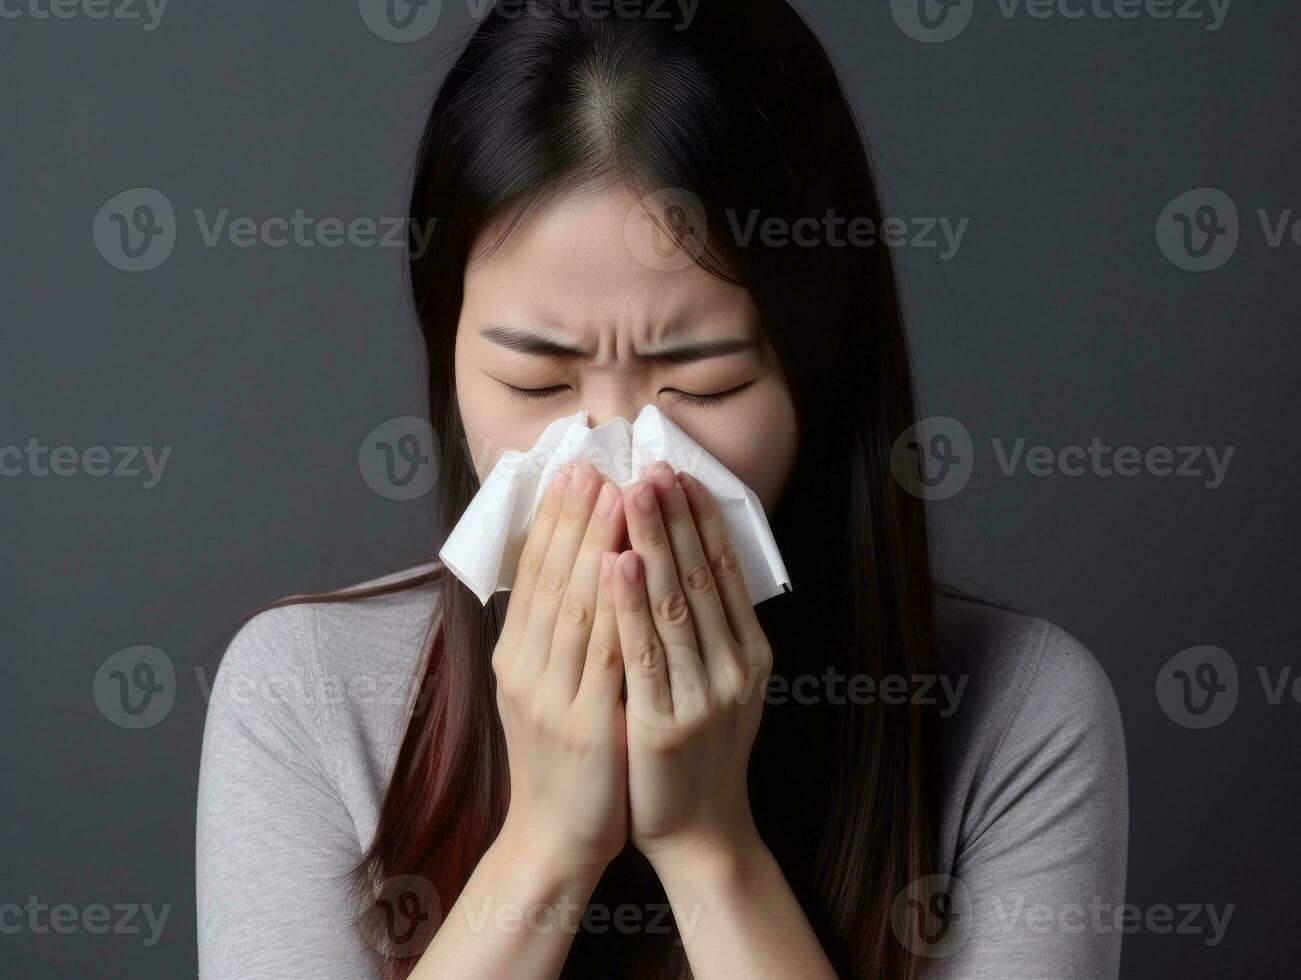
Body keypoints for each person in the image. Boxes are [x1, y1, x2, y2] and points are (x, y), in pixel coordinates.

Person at [196, 2, 1127, 977]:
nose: (618, 464)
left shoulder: (1020, 708)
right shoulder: (306, 692)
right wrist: (547, 840)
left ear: (818, 375)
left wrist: (708, 845)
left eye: (705, 385)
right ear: (449, 355)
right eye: (535, 383)